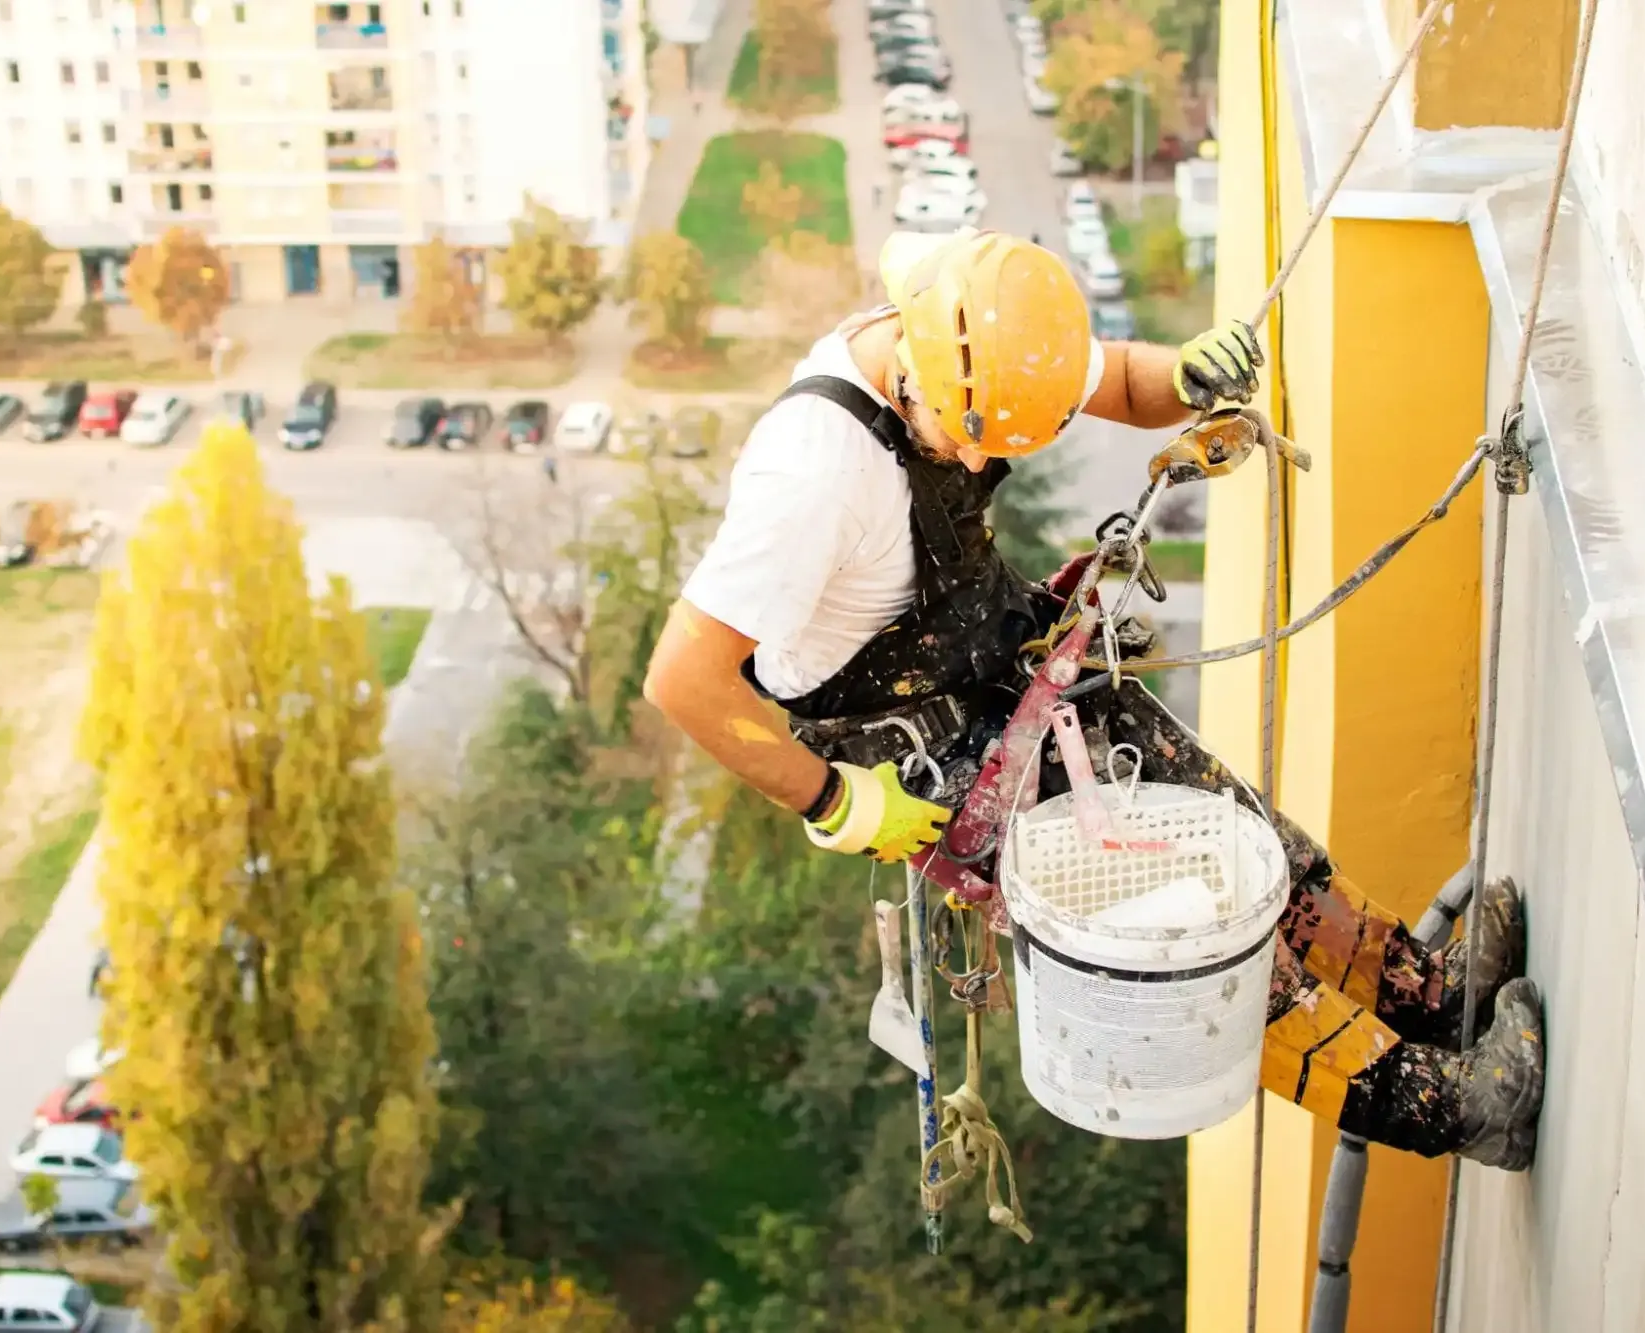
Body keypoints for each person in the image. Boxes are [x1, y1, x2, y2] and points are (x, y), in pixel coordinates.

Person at [644, 229, 1545, 1169]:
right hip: (925, 757)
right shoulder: (814, 474)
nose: (973, 456)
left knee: (1243, 835)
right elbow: (685, 677)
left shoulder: (996, 340)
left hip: (1009, 664)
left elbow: (1116, 381)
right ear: (913, 367)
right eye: (968, 438)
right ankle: (1458, 1110)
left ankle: (1431, 994)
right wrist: (836, 800)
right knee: (1191, 928)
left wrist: (1184, 375)